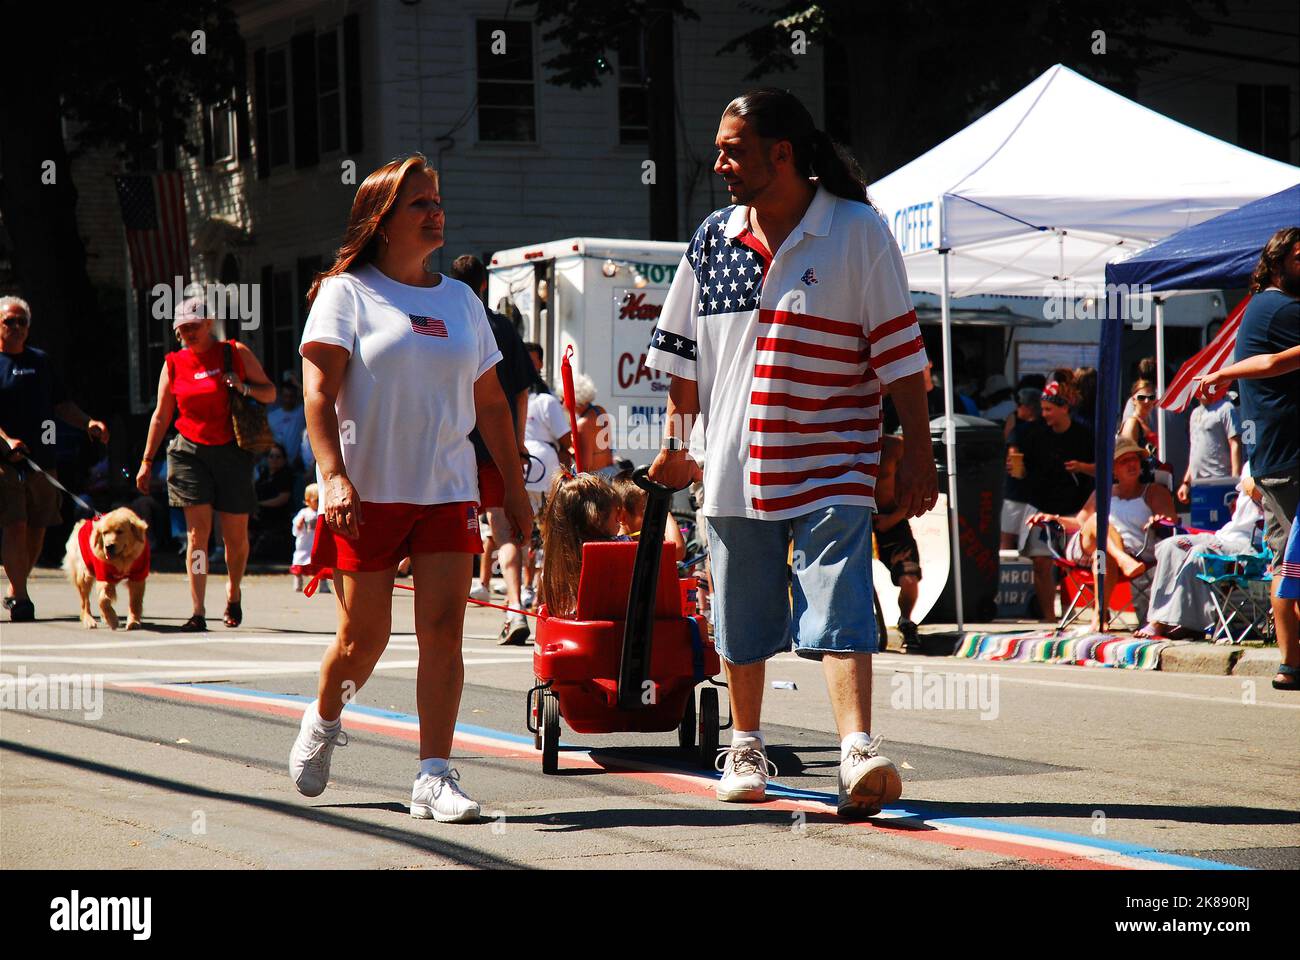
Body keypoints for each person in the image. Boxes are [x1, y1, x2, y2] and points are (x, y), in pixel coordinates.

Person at [645, 88, 937, 818]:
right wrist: (680, 449)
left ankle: (855, 750)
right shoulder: (713, 239)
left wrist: (918, 454)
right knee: (741, 616)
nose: (719, 163)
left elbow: (901, 357)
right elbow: (680, 361)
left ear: (783, 152)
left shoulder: (856, 231)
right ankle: (745, 743)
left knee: (840, 599)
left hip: (833, 455)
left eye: (733, 149)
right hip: (732, 463)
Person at [292, 154, 531, 823]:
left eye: (437, 200)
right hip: (365, 494)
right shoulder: (347, 292)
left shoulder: (461, 301)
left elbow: (490, 406)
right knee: (362, 640)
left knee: (443, 630)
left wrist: (512, 489)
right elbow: (317, 393)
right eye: (419, 203)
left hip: (447, 491)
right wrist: (333, 476)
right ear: (383, 220)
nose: (435, 213)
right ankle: (325, 714)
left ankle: (433, 776)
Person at [135, 295, 271, 630]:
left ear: (209, 323)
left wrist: (244, 387)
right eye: (181, 330)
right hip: (188, 452)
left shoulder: (234, 353)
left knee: (235, 536)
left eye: (194, 327)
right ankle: (197, 610)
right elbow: (162, 414)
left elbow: (268, 392)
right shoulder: (173, 363)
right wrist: (147, 459)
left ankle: (233, 591)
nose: (188, 334)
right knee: (198, 535)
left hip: (232, 450)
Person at [1197, 311, 1300, 690]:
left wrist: (1226, 373)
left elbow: (1270, 363)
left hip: (1269, 461)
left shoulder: (1257, 317)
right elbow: (1274, 362)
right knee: (1292, 562)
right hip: (1284, 459)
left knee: (1286, 563)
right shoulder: (1280, 312)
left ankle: (1290, 664)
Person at [0, 296, 110, 621]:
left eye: (22, 322)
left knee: (39, 526)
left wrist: (88, 422)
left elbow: (62, 405)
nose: (17, 327)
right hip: (5, 462)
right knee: (15, 525)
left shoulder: (41, 362)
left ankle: (15, 583)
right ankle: (21, 597)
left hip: (42, 460)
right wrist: (6, 440)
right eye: (9, 321)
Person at [451, 254, 536, 646]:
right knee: (503, 532)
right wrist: (516, 443)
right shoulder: (501, 325)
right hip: (495, 445)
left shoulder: (448, 321)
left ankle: (443, 618)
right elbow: (521, 393)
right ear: (485, 285)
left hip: (452, 445)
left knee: (448, 529)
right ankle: (515, 606)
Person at [1026, 438, 1177, 630]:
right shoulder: (1103, 493)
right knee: (1098, 521)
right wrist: (1055, 519)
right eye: (1124, 461)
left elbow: (1171, 521)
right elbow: (1081, 523)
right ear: (1113, 469)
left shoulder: (1154, 492)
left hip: (1125, 553)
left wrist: (1158, 521)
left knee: (1103, 555)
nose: (1131, 464)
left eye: (1135, 459)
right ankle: (1121, 558)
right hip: (1087, 549)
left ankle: (1099, 617)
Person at [1140, 469, 1262, 640]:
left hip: (1250, 543)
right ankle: (1161, 618)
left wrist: (1257, 486)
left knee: (1200, 552)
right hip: (1224, 535)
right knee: (1170, 546)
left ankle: (1177, 624)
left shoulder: (1282, 464)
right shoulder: (1251, 463)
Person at [1011, 379, 1094, 620]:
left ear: (1064, 408)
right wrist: (1017, 469)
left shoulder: (1084, 435)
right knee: (1040, 561)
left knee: (1069, 565)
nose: (1044, 414)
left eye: (1049, 409)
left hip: (1074, 508)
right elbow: (1023, 469)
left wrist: (1082, 467)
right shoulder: (1035, 434)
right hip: (1041, 505)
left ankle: (1070, 614)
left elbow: (1105, 469)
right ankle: (1049, 616)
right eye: (1043, 408)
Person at [537, 471, 622, 618]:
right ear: (596, 518)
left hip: (567, 627)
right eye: (617, 514)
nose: (620, 519)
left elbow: (542, 603)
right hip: (608, 628)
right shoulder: (619, 547)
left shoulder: (556, 560)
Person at [522, 384, 574, 608]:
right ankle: (539, 591)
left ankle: (526, 588)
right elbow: (565, 437)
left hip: (522, 464)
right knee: (548, 531)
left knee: (524, 533)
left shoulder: (520, 397)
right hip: (544, 467)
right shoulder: (547, 400)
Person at [872, 433, 922, 650]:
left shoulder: (895, 446)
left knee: (909, 578)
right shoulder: (846, 438)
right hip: (856, 518)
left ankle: (906, 620)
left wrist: (893, 518)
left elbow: (917, 488)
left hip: (891, 522)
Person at [1177, 391, 1242, 507]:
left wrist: (1234, 482)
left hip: (1221, 481)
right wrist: (1186, 483)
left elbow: (1235, 444)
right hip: (1198, 485)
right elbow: (1194, 451)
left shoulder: (1226, 408)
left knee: (1223, 523)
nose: (1200, 389)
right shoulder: (1194, 413)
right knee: (1199, 525)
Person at [611, 468, 687, 560]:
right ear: (622, 517)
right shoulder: (622, 544)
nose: (658, 519)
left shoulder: (642, 541)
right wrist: (664, 513)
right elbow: (676, 550)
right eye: (651, 512)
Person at [251, 442, 294, 560]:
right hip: (259, 512)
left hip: (277, 515)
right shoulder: (264, 473)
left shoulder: (285, 475)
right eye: (271, 456)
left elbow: (283, 498)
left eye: (278, 456)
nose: (274, 459)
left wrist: (260, 505)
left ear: (284, 459)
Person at [572, 373, 619, 479]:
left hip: (598, 479)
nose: (562, 403)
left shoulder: (583, 424)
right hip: (611, 472)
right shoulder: (600, 410)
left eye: (563, 399)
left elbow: (586, 467)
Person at [290, 483, 326, 593]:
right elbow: (296, 528)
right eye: (317, 500)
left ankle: (324, 585)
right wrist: (299, 525)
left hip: (318, 543)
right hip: (305, 544)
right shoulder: (304, 512)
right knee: (300, 564)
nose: (320, 503)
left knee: (321, 564)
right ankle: (298, 582)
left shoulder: (323, 512)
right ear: (308, 500)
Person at [268, 373, 307, 470]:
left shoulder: (302, 412)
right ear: (281, 396)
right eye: (286, 396)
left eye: (291, 396)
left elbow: (310, 397)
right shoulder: (272, 416)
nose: (288, 399)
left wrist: (298, 384)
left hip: (296, 464)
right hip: (276, 464)